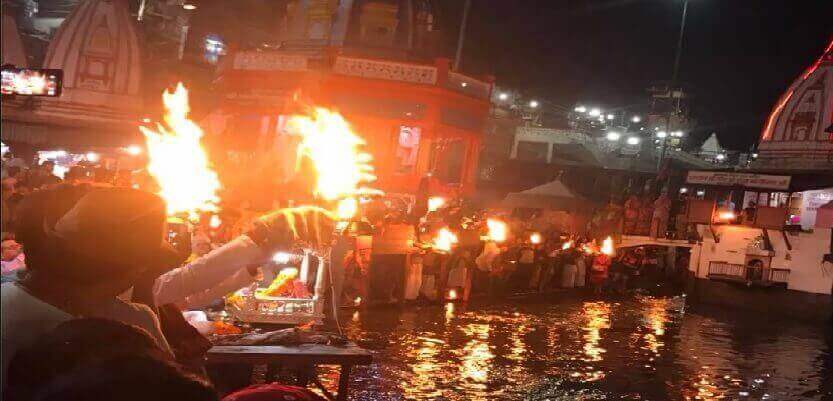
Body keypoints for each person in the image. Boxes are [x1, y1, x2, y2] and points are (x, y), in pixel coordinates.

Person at [1, 185, 334, 385]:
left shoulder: (121, 308)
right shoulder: (131, 322)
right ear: (132, 266)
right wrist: (253, 241)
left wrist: (248, 256)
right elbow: (178, 286)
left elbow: (182, 293)